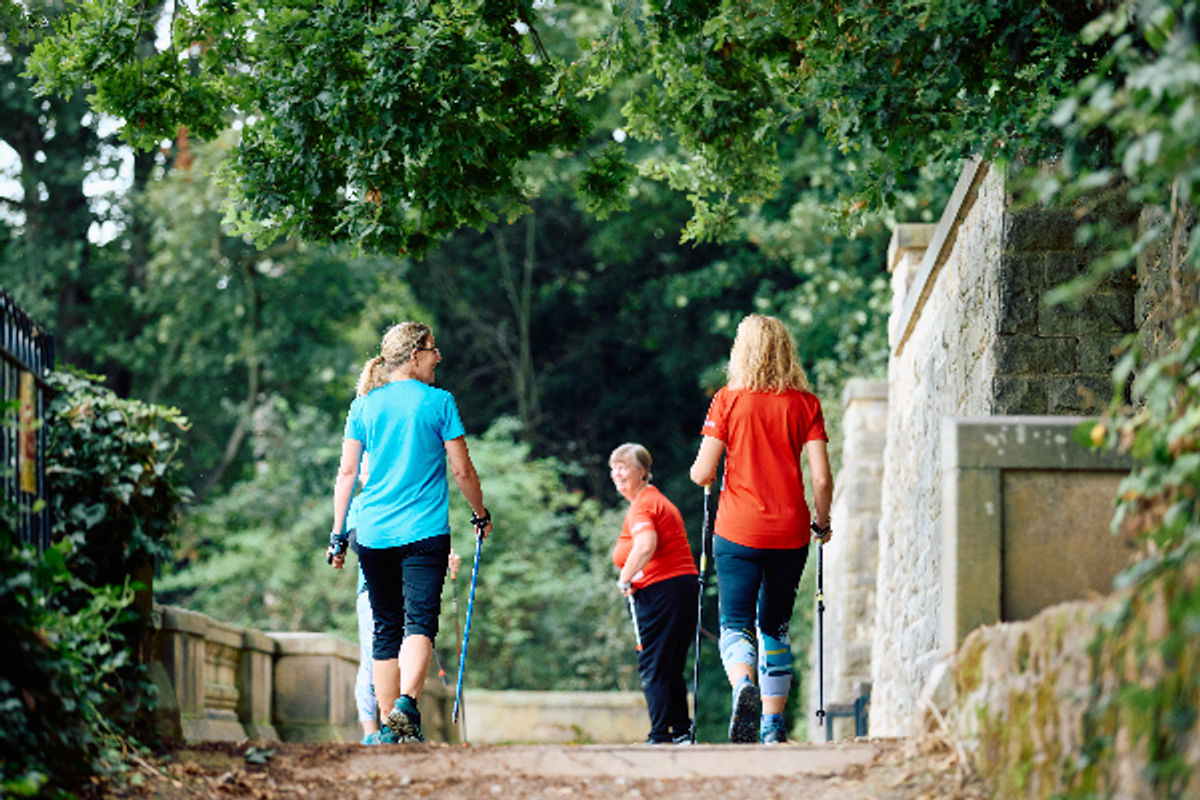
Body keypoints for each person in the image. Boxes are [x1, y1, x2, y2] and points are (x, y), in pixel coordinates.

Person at [328, 322, 492, 745]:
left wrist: (337, 533)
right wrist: (480, 513)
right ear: (416, 354)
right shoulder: (439, 402)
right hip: (424, 532)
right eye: (434, 350)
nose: (439, 357)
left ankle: (388, 730)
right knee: (419, 622)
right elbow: (462, 470)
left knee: (385, 627)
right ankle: (405, 705)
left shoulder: (363, 405)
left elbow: (347, 473)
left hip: (373, 533)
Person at [689, 314, 833, 745]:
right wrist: (822, 523)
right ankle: (772, 726)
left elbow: (701, 472)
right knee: (775, 626)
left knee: (735, 624)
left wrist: (712, 474)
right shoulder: (806, 404)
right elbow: (822, 479)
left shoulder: (727, 401)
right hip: (790, 533)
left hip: (736, 531)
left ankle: (742, 686)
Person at [610, 443, 699, 745]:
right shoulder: (655, 500)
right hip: (681, 586)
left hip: (662, 590)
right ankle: (681, 732)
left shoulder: (643, 506)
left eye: (624, 466)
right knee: (670, 664)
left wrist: (624, 579)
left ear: (644, 471)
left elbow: (645, 545)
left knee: (654, 664)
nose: (617, 472)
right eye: (614, 467)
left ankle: (660, 734)